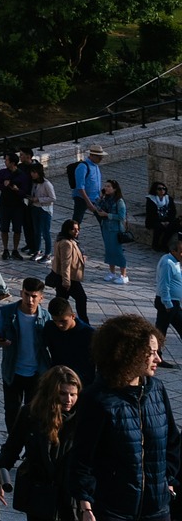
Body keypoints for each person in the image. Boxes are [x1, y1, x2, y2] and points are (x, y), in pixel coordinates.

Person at [70, 314, 181, 521]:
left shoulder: (157, 389)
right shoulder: (97, 399)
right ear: (130, 354)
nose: (158, 359)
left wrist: (169, 479)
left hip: (157, 509)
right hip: (113, 511)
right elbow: (82, 458)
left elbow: (173, 442)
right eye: (152, 353)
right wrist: (85, 504)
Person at [0, 363, 81, 521]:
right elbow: (12, 448)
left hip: (69, 495)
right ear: (52, 393)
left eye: (73, 394)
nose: (68, 399)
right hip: (39, 491)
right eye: (63, 394)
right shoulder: (31, 414)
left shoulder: (82, 418)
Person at [0, 277, 53, 432]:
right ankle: (12, 446)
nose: (30, 300)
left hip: (36, 373)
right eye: (27, 295)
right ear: (21, 293)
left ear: (41, 298)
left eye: (34, 296)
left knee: (34, 413)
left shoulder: (46, 318)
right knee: (11, 412)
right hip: (12, 371)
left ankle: (29, 448)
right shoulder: (7, 313)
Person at [51, 219, 89, 322]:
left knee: (61, 301)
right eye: (73, 229)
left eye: (78, 229)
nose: (76, 232)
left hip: (63, 277)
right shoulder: (66, 243)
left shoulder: (65, 239)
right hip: (68, 278)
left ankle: (56, 319)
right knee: (81, 298)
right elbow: (65, 263)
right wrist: (66, 282)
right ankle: (84, 322)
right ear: (67, 230)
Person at [0, 152, 28, 260]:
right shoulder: (2, 173)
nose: (5, 162)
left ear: (12, 163)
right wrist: (3, 186)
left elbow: (25, 192)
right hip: (5, 204)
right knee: (4, 228)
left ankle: (15, 249)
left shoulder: (22, 175)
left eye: (7, 160)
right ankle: (5, 249)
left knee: (17, 229)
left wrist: (17, 190)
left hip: (17, 206)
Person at [156, 233, 182, 364]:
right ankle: (157, 356)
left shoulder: (176, 261)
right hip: (167, 303)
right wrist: (168, 304)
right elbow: (164, 285)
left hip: (174, 303)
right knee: (160, 330)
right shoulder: (168, 263)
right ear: (173, 250)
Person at [98, 180, 130, 284]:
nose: (106, 188)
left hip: (115, 229)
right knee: (109, 251)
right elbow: (98, 207)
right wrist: (101, 197)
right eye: (105, 186)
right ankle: (112, 272)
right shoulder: (106, 199)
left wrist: (108, 215)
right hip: (106, 228)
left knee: (118, 252)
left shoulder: (119, 201)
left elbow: (121, 216)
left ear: (114, 188)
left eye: (109, 186)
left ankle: (123, 275)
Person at [29, 162, 58, 263]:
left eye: (34, 172)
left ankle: (48, 254)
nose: (32, 174)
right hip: (35, 209)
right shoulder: (35, 183)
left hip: (45, 210)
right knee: (37, 231)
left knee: (46, 233)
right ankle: (37, 251)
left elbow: (53, 198)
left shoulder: (47, 184)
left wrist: (39, 199)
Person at [148, 182, 178, 254]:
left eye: (163, 188)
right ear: (155, 190)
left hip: (167, 220)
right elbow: (151, 214)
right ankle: (155, 245)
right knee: (159, 227)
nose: (162, 190)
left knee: (171, 227)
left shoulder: (168, 199)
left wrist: (168, 221)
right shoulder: (151, 200)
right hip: (155, 220)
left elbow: (173, 212)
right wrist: (160, 222)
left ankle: (164, 244)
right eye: (159, 189)